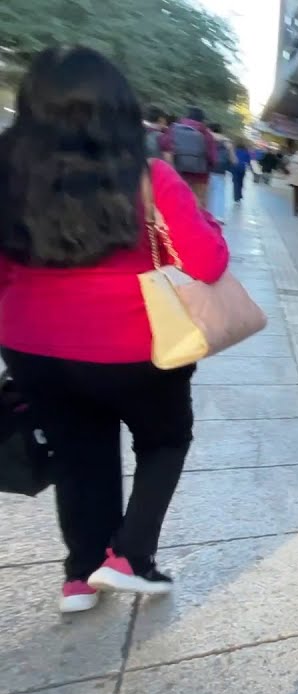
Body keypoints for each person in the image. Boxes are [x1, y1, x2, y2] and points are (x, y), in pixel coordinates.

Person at [0, 47, 229, 614]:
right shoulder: (148, 176)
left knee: (81, 454)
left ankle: (79, 577)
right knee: (165, 439)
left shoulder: (7, 172)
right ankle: (130, 557)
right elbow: (205, 263)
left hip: (33, 347)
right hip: (136, 347)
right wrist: (206, 226)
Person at [159, 106, 217, 208]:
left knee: (177, 201)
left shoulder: (173, 129)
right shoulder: (206, 134)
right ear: (202, 119)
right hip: (200, 176)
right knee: (198, 203)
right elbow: (212, 158)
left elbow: (164, 145)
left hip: (178, 172)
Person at [206, 123, 234, 224]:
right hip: (221, 171)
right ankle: (218, 216)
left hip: (208, 169)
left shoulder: (207, 138)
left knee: (208, 194)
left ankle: (207, 215)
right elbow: (234, 160)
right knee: (220, 194)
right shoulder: (227, 142)